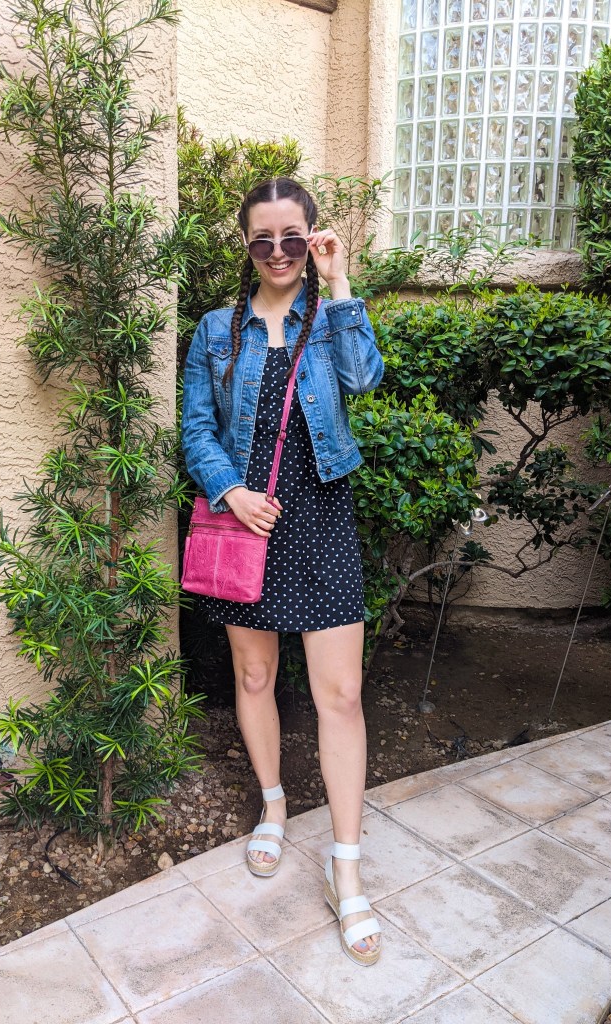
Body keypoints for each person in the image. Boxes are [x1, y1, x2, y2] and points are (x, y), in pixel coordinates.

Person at [181, 177, 384, 966]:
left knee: (340, 694)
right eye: (262, 239)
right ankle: (272, 807)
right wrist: (229, 491)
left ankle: (346, 867)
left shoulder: (327, 312)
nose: (276, 252)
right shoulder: (213, 330)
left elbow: (365, 379)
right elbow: (198, 426)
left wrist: (339, 284)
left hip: (322, 515)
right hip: (247, 522)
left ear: (311, 238)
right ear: (245, 244)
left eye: (291, 238)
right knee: (257, 677)